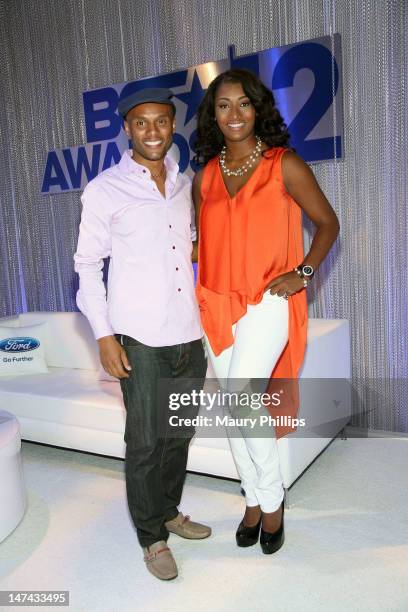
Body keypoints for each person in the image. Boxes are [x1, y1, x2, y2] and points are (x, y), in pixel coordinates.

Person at [193, 69, 339, 554]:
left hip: (268, 300)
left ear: (258, 110)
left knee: (241, 394)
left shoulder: (284, 164)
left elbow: (327, 223)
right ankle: (251, 499)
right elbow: (201, 245)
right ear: (212, 116)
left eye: (243, 104)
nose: (234, 114)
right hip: (215, 301)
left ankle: (272, 500)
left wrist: (304, 271)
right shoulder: (205, 176)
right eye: (223, 106)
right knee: (235, 410)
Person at [74, 88, 210, 581]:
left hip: (187, 335)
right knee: (147, 442)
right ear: (127, 129)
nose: (153, 130)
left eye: (162, 121)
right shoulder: (105, 189)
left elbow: (186, 249)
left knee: (178, 435)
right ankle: (152, 537)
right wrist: (105, 336)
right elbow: (87, 266)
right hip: (139, 339)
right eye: (142, 122)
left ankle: (169, 511)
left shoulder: (184, 181)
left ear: (173, 125)